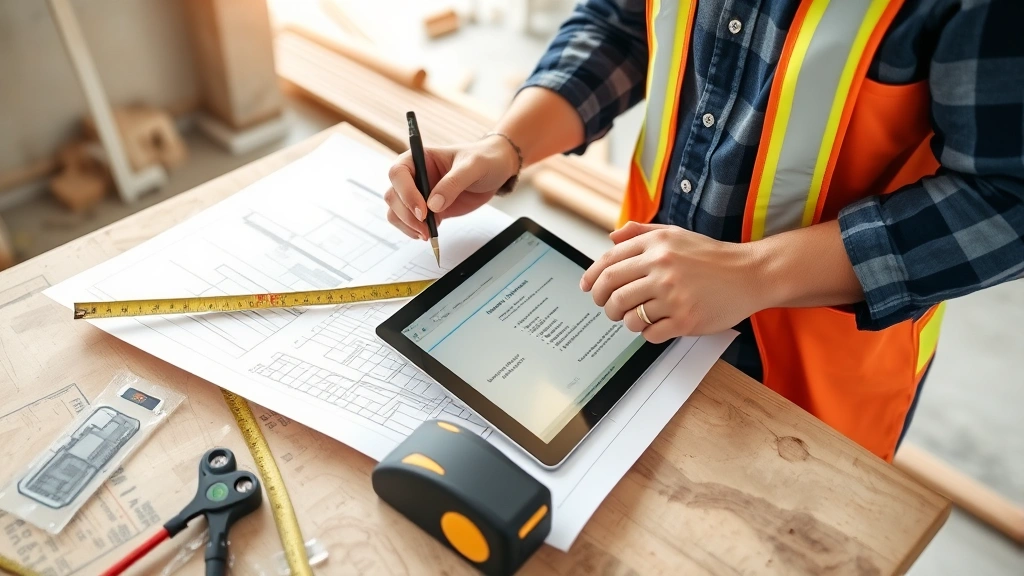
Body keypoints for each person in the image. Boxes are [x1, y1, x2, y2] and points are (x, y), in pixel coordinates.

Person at [383, 0, 1024, 462]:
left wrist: (756, 273)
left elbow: (1008, 199)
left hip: (816, 374)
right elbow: (623, 21)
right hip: (637, 308)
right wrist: (508, 146)